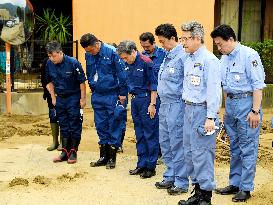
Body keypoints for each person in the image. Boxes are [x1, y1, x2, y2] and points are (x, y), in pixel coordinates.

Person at [211, 24, 266, 202]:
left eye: (220, 44)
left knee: (247, 147)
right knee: (234, 147)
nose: (219, 48)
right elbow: (222, 86)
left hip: (247, 104)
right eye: (216, 45)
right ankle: (234, 182)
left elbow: (258, 85)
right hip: (231, 105)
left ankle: (246, 187)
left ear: (231, 39)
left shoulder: (249, 55)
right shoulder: (224, 59)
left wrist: (255, 111)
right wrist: (224, 109)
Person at [178, 21, 221, 205]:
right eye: (182, 38)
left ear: (197, 38)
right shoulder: (188, 58)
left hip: (203, 112)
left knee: (202, 154)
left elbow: (214, 91)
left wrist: (210, 117)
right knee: (189, 153)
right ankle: (196, 192)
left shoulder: (209, 60)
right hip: (188, 109)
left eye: (186, 39)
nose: (183, 42)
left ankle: (206, 196)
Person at [80, 33, 127, 169]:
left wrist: (122, 94)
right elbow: (89, 72)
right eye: (87, 51)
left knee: (113, 124)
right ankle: (103, 156)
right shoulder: (89, 54)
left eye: (90, 50)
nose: (89, 53)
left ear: (96, 44)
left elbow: (122, 74)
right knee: (100, 125)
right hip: (98, 94)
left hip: (112, 94)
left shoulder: (112, 52)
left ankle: (112, 158)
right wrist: (92, 88)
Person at [153, 23, 189, 195]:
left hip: (177, 104)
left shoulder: (183, 56)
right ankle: (170, 175)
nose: (161, 45)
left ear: (173, 39)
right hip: (165, 104)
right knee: (165, 142)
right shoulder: (167, 56)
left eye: (162, 41)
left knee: (177, 143)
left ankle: (181, 182)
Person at [116, 40, 159, 178]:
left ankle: (150, 167)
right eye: (122, 58)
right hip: (134, 100)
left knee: (150, 134)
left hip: (147, 100)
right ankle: (141, 164)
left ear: (133, 51)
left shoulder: (146, 62)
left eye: (126, 57)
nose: (125, 60)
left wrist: (152, 104)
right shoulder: (126, 64)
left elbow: (154, 85)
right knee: (139, 134)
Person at [45, 40, 86, 164]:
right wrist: (53, 97)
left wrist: (83, 99)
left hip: (73, 97)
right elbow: (48, 81)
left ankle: (73, 151)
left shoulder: (73, 63)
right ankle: (64, 152)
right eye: (49, 56)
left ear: (60, 52)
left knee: (74, 124)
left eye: (54, 56)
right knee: (63, 124)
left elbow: (82, 82)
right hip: (60, 98)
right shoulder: (49, 64)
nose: (52, 59)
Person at [139, 32, 166, 164]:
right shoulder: (141, 56)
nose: (145, 49)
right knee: (150, 123)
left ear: (153, 43)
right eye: (143, 46)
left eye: (147, 46)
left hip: (163, 94)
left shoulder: (163, 54)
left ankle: (162, 151)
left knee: (161, 123)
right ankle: (154, 152)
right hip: (148, 95)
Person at [41, 57, 62, 151]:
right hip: (50, 93)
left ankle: (63, 142)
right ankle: (55, 141)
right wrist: (49, 92)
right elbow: (44, 78)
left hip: (62, 93)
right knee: (53, 116)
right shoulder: (46, 62)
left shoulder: (63, 61)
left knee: (63, 117)